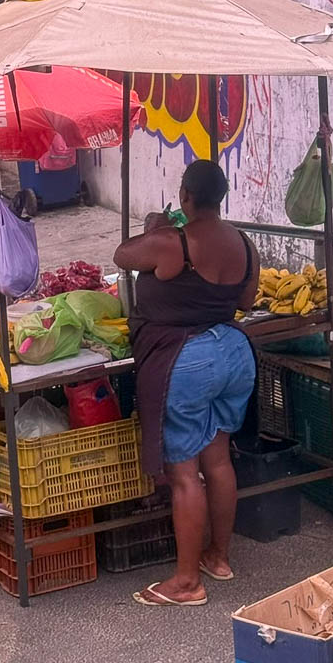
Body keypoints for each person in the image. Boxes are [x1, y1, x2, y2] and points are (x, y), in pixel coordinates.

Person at [114, 159, 260, 607]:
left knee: (183, 475)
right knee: (217, 458)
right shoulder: (244, 243)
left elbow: (122, 255)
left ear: (186, 197)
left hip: (188, 360)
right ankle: (217, 557)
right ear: (223, 196)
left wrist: (154, 225)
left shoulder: (171, 240)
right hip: (234, 353)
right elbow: (247, 299)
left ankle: (185, 582)